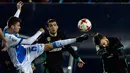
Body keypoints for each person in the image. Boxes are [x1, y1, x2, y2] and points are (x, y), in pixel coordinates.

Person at [4, 15, 88, 73]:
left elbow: (69, 48)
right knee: (49, 46)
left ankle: (77, 39)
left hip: (57, 64)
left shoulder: (61, 35)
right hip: (40, 65)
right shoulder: (43, 38)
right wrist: (39, 32)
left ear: (57, 26)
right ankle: (77, 39)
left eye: (55, 25)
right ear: (47, 28)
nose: (53, 27)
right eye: (51, 26)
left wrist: (78, 59)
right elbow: (31, 44)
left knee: (51, 45)